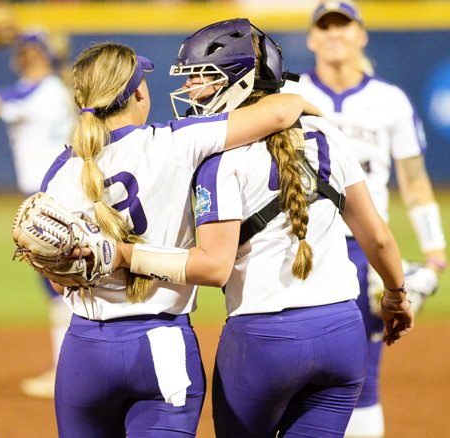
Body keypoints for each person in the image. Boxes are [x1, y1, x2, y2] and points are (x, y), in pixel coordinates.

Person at [108, 18, 414, 438]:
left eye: (203, 76)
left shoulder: (217, 158)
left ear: (239, 81)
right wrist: (397, 295)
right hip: (343, 332)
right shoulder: (327, 133)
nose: (192, 89)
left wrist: (124, 256)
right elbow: (377, 237)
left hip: (264, 339)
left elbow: (214, 267)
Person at [39, 40, 319, 437]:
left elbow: (58, 279)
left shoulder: (62, 171)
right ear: (137, 91)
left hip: (84, 352)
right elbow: (279, 110)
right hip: (163, 346)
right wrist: (309, 109)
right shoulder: (175, 141)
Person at [280, 2, 447, 436]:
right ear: (312, 37)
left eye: (344, 25)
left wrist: (435, 253)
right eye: (325, 26)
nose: (334, 34)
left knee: (363, 377)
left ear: (362, 35)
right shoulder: (289, 95)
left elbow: (413, 182)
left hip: (362, 252)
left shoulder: (389, 100)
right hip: (299, 245)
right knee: (290, 372)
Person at [0, 28, 76, 398]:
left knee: (59, 285)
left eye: (28, 51)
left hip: (50, 197)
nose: (22, 56)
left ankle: (68, 369)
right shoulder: (56, 90)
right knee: (63, 283)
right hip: (63, 192)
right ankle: (68, 365)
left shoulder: (38, 90)